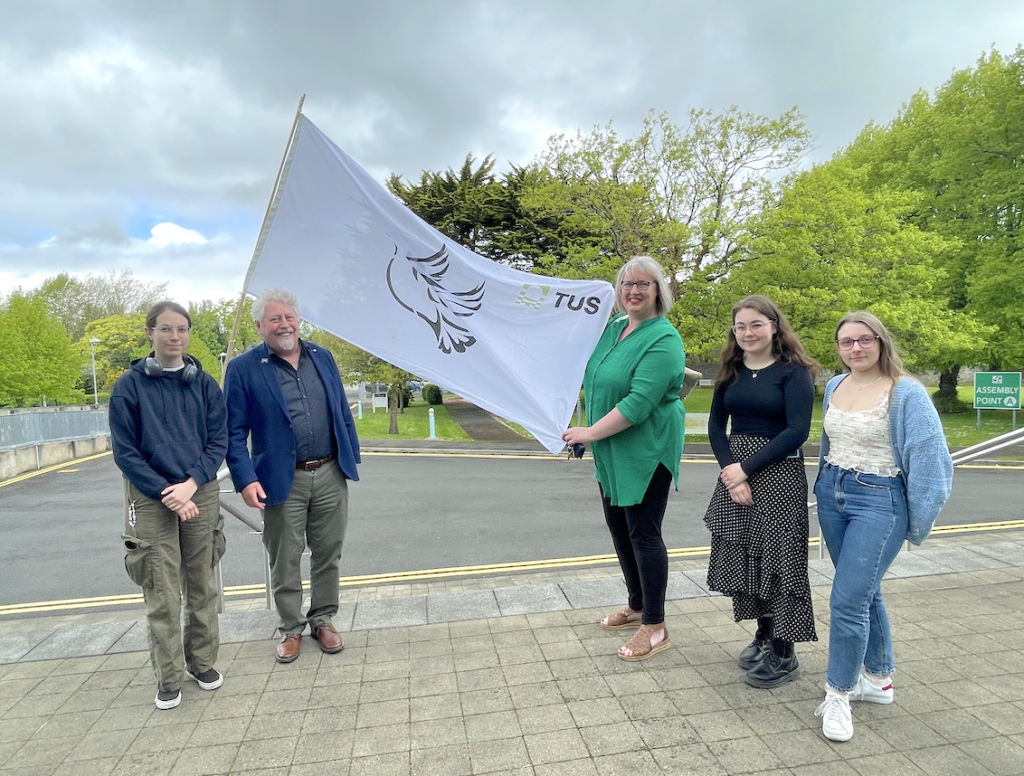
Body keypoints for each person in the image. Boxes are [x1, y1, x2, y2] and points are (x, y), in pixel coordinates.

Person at [813, 312, 952, 742]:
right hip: (833, 494)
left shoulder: (906, 392)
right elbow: (829, 443)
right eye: (846, 342)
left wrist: (917, 522)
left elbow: (932, 464)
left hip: (880, 499)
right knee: (863, 589)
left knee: (847, 600)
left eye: (863, 340)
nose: (855, 348)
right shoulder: (836, 385)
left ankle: (839, 693)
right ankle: (878, 679)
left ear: (880, 341)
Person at [225, 289, 360, 663]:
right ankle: (290, 627)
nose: (284, 325)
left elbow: (340, 411)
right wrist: (245, 478)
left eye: (289, 317)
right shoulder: (244, 369)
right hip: (281, 479)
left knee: (328, 552)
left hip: (331, 471)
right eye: (275, 319)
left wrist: (351, 456)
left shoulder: (322, 356)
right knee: (285, 557)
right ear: (259, 326)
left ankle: (323, 619)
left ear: (298, 321)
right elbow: (232, 432)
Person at [562, 256, 685, 661]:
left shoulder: (664, 340)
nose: (633, 291)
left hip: (647, 449)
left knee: (644, 533)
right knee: (619, 527)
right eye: (626, 284)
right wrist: (585, 430)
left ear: (658, 292)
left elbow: (638, 403)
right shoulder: (615, 328)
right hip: (612, 448)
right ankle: (636, 606)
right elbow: (594, 379)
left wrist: (590, 432)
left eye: (643, 284)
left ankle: (656, 625)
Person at [109, 301, 228, 711]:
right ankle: (169, 677)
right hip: (152, 496)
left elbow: (218, 442)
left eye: (182, 329)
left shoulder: (206, 384)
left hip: (199, 491)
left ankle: (202, 663)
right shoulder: (128, 386)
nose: (174, 337)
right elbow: (125, 452)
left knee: (202, 584)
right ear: (150, 333)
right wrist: (168, 492)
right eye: (166, 329)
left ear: (189, 334)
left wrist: (191, 484)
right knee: (162, 590)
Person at [704, 295, 819, 688]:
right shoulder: (731, 371)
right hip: (735, 474)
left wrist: (744, 471)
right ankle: (765, 634)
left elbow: (796, 432)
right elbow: (717, 428)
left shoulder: (794, 372)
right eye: (740, 326)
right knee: (750, 557)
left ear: (774, 326)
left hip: (778, 474)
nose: (748, 333)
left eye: (756, 324)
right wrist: (730, 472)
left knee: (779, 558)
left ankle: (785, 652)